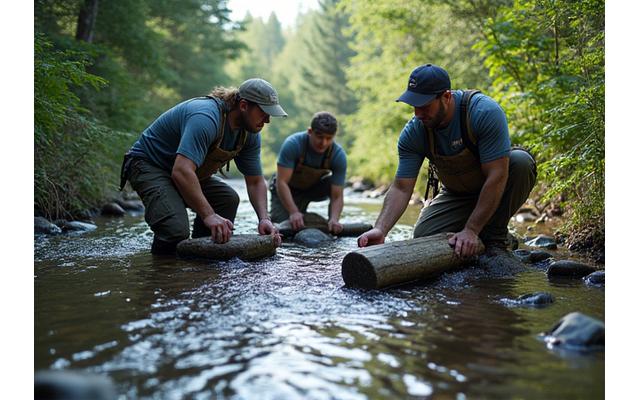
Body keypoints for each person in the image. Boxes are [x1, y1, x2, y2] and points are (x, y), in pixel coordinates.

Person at [357, 64, 537, 257]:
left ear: (446, 97)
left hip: (496, 185)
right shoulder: (414, 133)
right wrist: (381, 229)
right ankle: (484, 234)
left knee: (520, 162)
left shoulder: (483, 112)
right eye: (414, 106)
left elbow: (497, 175)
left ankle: (495, 238)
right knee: (423, 236)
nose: (418, 114)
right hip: (457, 195)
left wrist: (471, 230)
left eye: (424, 106)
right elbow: (401, 187)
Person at [120, 78, 286, 255]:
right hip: (149, 165)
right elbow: (181, 171)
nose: (267, 120)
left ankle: (200, 261)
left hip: (183, 172)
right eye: (264, 112)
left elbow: (255, 181)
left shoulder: (250, 133)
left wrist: (264, 219)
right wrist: (209, 215)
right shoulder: (205, 117)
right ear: (244, 105)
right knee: (176, 231)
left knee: (227, 199)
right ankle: (163, 273)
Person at [269, 111, 348, 234]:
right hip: (285, 189)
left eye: (329, 138)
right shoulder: (293, 144)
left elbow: (337, 195)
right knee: (283, 229)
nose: (324, 143)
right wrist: (293, 212)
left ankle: (329, 222)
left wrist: (334, 219)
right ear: (310, 132)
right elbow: (282, 182)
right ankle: (297, 212)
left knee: (332, 183)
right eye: (320, 137)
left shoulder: (338, 155)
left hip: (312, 189)